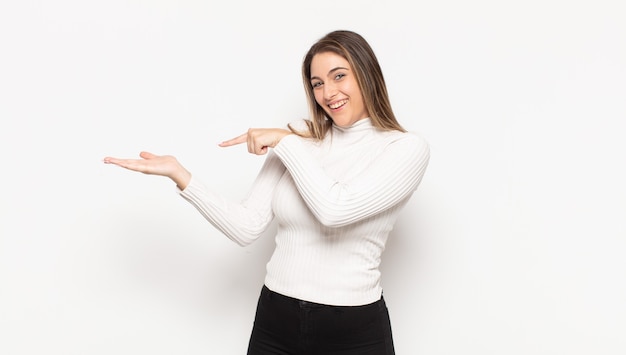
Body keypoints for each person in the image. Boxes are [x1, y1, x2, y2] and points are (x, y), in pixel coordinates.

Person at [104, 30, 430, 355]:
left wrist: (286, 142)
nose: (328, 92)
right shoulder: (299, 138)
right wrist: (181, 175)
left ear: (366, 74)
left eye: (339, 76)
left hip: (353, 331)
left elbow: (335, 209)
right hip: (276, 320)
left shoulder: (403, 148)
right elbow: (247, 227)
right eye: (317, 83)